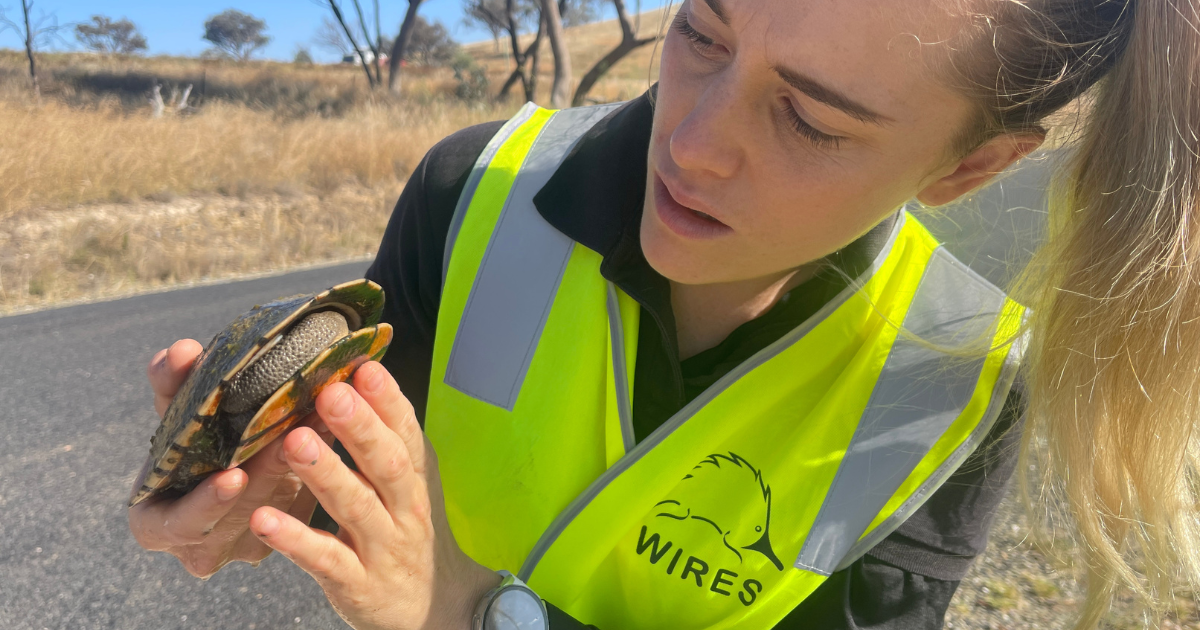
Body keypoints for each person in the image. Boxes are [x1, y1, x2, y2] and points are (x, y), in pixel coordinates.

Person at [130, 0, 1200, 628]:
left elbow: (430, 588)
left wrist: (463, 614)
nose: (688, 143)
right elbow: (369, 491)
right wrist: (254, 500)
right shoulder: (471, 191)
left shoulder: (957, 385)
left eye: (809, 121)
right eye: (702, 33)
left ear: (972, 166)